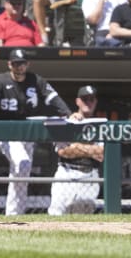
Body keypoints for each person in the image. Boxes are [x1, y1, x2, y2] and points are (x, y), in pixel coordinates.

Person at [0, 49, 75, 215]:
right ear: (9, 64)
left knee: (22, 171)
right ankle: (12, 212)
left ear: (27, 64)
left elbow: (52, 96)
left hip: (27, 131)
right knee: (22, 162)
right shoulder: (0, 80)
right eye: (16, 63)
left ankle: (16, 212)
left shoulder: (35, 79)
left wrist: (67, 113)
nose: (20, 67)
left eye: (22, 63)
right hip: (7, 130)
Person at [48, 85, 103, 215]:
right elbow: (63, 151)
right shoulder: (67, 122)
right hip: (66, 171)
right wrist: (90, 150)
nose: (88, 103)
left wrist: (75, 146)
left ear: (95, 102)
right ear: (78, 101)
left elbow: (101, 154)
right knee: (56, 213)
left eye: (91, 99)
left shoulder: (100, 124)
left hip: (89, 174)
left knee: (83, 218)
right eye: (85, 99)